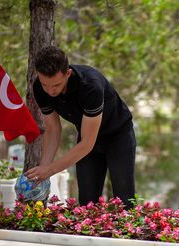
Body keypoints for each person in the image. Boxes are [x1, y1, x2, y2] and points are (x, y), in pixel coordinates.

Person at [24, 46, 136, 208]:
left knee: (124, 200)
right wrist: (43, 170)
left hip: (118, 137)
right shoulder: (39, 89)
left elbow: (87, 144)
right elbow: (53, 129)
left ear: (68, 74)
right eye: (45, 84)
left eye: (56, 85)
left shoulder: (90, 86)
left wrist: (50, 170)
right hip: (86, 138)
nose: (50, 91)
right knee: (87, 203)